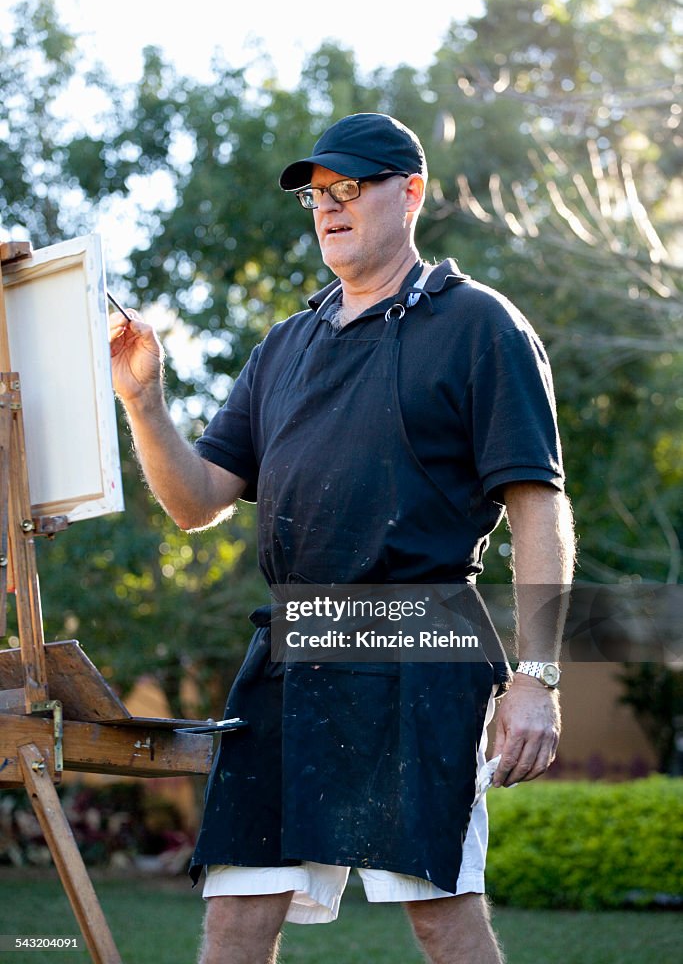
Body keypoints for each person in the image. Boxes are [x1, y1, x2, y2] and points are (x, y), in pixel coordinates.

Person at [109, 112, 575, 964]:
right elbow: (196, 502)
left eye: (349, 188)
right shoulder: (285, 344)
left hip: (418, 636)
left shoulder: (478, 323)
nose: (328, 207)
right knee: (237, 908)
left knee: (439, 907)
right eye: (317, 196)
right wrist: (144, 402)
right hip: (294, 642)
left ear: (411, 193)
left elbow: (537, 507)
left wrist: (536, 677)